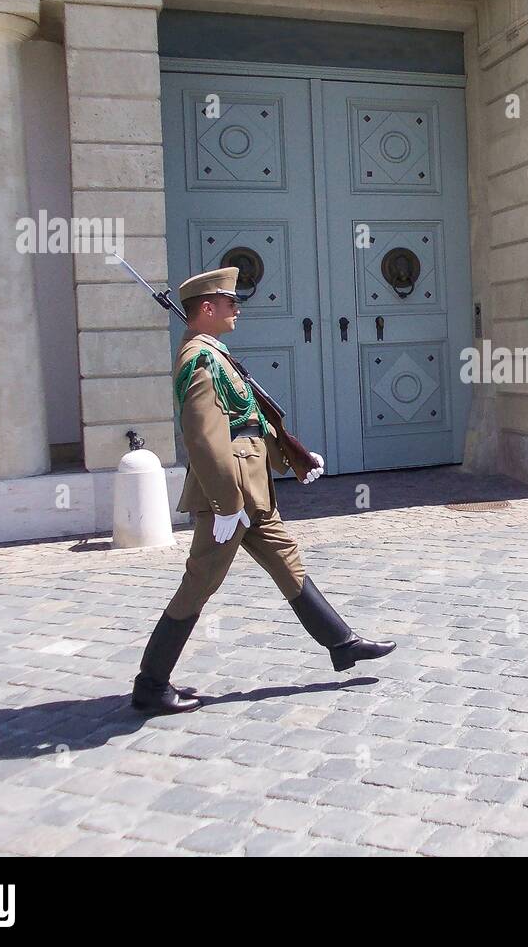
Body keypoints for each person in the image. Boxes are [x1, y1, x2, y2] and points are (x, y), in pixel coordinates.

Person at [132, 267, 394, 715]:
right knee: (200, 583)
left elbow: (249, 420)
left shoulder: (215, 352)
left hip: (252, 488)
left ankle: (341, 643)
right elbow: (203, 437)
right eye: (230, 302)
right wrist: (226, 503)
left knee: (286, 558)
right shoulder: (198, 358)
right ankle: (151, 683)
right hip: (230, 494)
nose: (238, 308)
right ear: (207, 309)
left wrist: (294, 457)